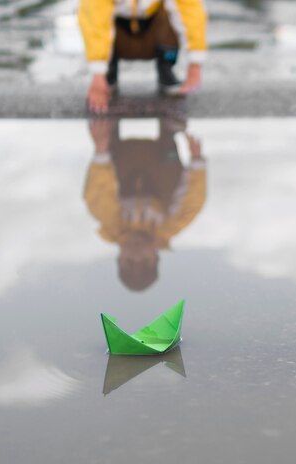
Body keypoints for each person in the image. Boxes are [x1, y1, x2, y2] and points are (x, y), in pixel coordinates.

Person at [84, 118, 207, 291]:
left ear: (119, 258)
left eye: (129, 261)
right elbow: (193, 199)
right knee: (173, 198)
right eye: (144, 260)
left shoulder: (111, 223)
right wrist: (196, 159)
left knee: (99, 200)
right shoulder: (170, 226)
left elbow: (100, 188)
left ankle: (110, 128)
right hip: (162, 156)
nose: (136, 253)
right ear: (156, 257)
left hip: (120, 153)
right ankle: (168, 128)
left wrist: (100, 149)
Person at [78, 0, 208, 113]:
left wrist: (195, 63)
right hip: (119, 36)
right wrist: (97, 73)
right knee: (99, 15)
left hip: (153, 34)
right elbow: (94, 19)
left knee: (173, 12)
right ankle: (108, 72)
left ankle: (166, 67)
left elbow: (190, 10)